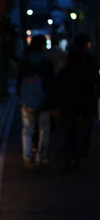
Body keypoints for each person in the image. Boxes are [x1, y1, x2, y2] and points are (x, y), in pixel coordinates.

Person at [53, 38, 98, 169]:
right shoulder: (85, 74)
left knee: (67, 133)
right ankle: (77, 158)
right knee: (80, 133)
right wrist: (94, 109)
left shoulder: (63, 73)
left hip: (66, 108)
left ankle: (67, 158)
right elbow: (91, 93)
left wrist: (56, 106)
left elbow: (57, 90)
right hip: (82, 108)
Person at [17, 35, 55, 170]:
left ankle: (27, 156)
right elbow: (51, 84)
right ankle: (41, 157)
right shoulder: (46, 63)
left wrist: (22, 98)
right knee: (44, 130)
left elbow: (19, 82)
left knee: (27, 130)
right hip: (44, 101)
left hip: (27, 101)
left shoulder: (24, 62)